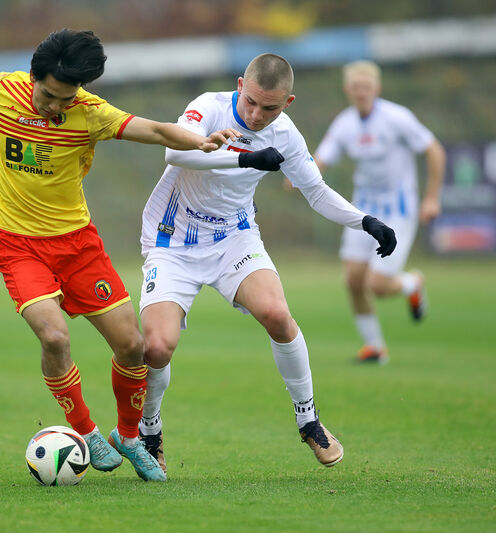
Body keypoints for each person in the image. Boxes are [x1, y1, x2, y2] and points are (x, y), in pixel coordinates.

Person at [0, 29, 276, 482]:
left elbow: (154, 130)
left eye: (65, 97)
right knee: (55, 338)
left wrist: (199, 141)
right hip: (17, 244)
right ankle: (87, 432)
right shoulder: (7, 90)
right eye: (49, 94)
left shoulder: (90, 113)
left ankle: (129, 438)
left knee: (133, 346)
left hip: (77, 245)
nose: (55, 105)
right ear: (34, 77)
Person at [136, 53, 397, 473]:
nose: (257, 115)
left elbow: (317, 191)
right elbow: (174, 154)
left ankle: (309, 420)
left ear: (287, 103)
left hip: (234, 237)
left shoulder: (287, 136)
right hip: (173, 241)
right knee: (157, 346)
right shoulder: (209, 105)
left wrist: (365, 221)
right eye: (252, 102)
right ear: (240, 85)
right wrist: (243, 158)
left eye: (270, 108)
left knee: (278, 314)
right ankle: (149, 429)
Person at [312, 60, 445, 364]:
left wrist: (432, 198)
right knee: (353, 281)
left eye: (366, 87)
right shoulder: (345, 123)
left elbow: (434, 150)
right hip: (363, 211)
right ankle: (375, 347)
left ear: (377, 89)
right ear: (347, 90)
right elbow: (323, 157)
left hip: (398, 210)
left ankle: (413, 284)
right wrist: (299, 176)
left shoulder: (397, 118)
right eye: (356, 87)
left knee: (379, 285)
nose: (361, 93)